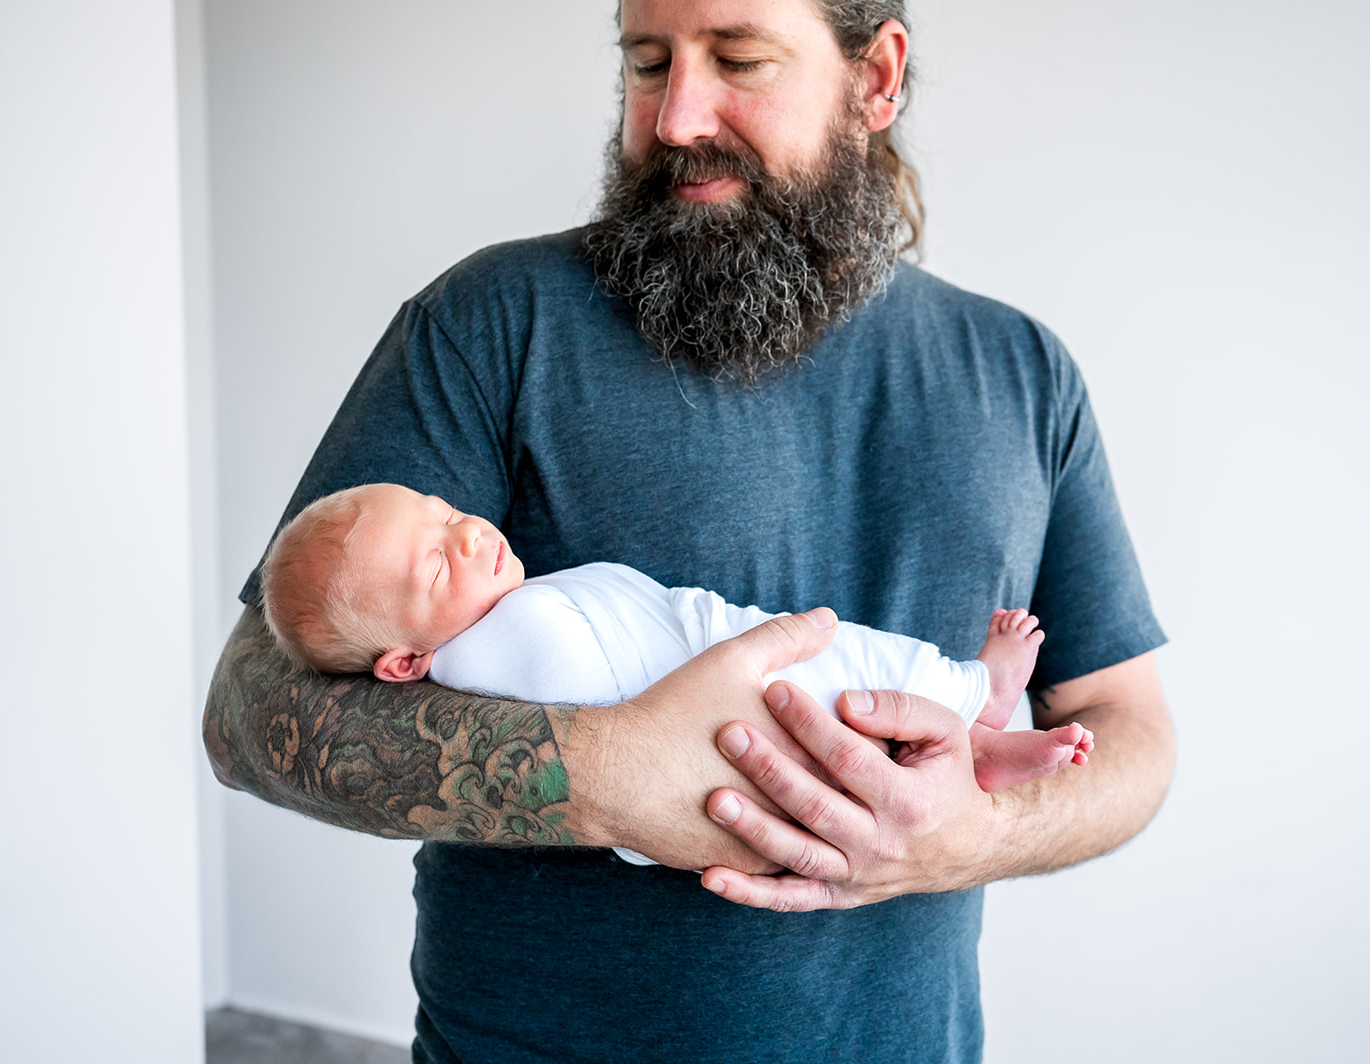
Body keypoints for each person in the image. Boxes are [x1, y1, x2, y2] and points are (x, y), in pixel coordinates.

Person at [202, 3, 1176, 1061]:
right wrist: (609, 775)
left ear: (876, 76)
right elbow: (248, 713)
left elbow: (1129, 731)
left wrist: (970, 835)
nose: (674, 118)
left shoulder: (1024, 375)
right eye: (647, 61)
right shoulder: (494, 321)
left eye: (739, 60)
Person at [258, 481, 1095, 811]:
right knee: (853, 671)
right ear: (405, 663)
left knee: (852, 692)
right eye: (440, 563)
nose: (471, 533)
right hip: (734, 690)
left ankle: (977, 741)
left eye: (446, 513)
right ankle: (975, 695)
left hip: (717, 656)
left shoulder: (495, 616)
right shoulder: (485, 650)